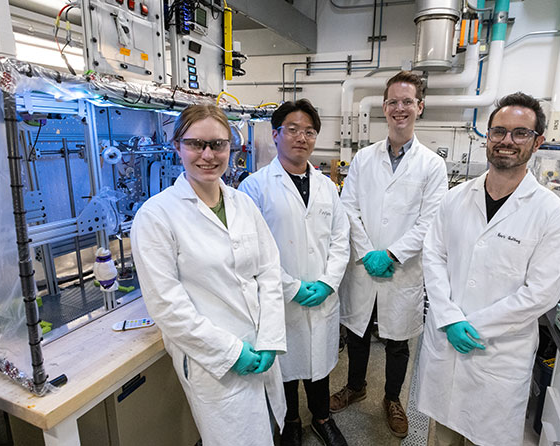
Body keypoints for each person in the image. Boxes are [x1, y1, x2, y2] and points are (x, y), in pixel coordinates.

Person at [415, 92, 560, 446]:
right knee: (442, 436)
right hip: (446, 341)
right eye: (499, 132)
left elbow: (541, 294)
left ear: (538, 143)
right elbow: (433, 255)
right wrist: (449, 317)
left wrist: (473, 326)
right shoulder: (455, 198)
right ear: (486, 137)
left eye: (520, 133)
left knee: (485, 436)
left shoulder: (554, 215)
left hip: (499, 356)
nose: (507, 141)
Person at [130, 104, 286, 446]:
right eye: (195, 144)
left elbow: (270, 271)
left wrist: (271, 338)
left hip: (260, 347)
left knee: (267, 432)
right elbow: (168, 308)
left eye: (218, 144)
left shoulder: (242, 204)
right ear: (177, 146)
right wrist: (232, 352)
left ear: (231, 147)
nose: (207, 155)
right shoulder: (156, 216)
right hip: (215, 360)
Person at [330, 71, 448, 438]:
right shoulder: (364, 159)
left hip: (403, 270)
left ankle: (393, 398)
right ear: (384, 108)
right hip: (366, 265)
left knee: (398, 341)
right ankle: (356, 386)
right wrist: (368, 254)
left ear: (419, 107)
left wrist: (392, 255)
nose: (400, 108)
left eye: (407, 102)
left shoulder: (433, 165)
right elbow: (348, 208)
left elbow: (431, 222)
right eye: (393, 102)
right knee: (359, 330)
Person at [239, 99, 350, 446]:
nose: (302, 137)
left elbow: (340, 238)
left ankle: (321, 418)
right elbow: (252, 251)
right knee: (285, 365)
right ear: (275, 134)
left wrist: (329, 283)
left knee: (319, 363)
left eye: (309, 131)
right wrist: (291, 288)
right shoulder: (254, 188)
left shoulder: (327, 187)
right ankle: (290, 422)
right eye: (293, 129)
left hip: (321, 294)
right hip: (280, 297)